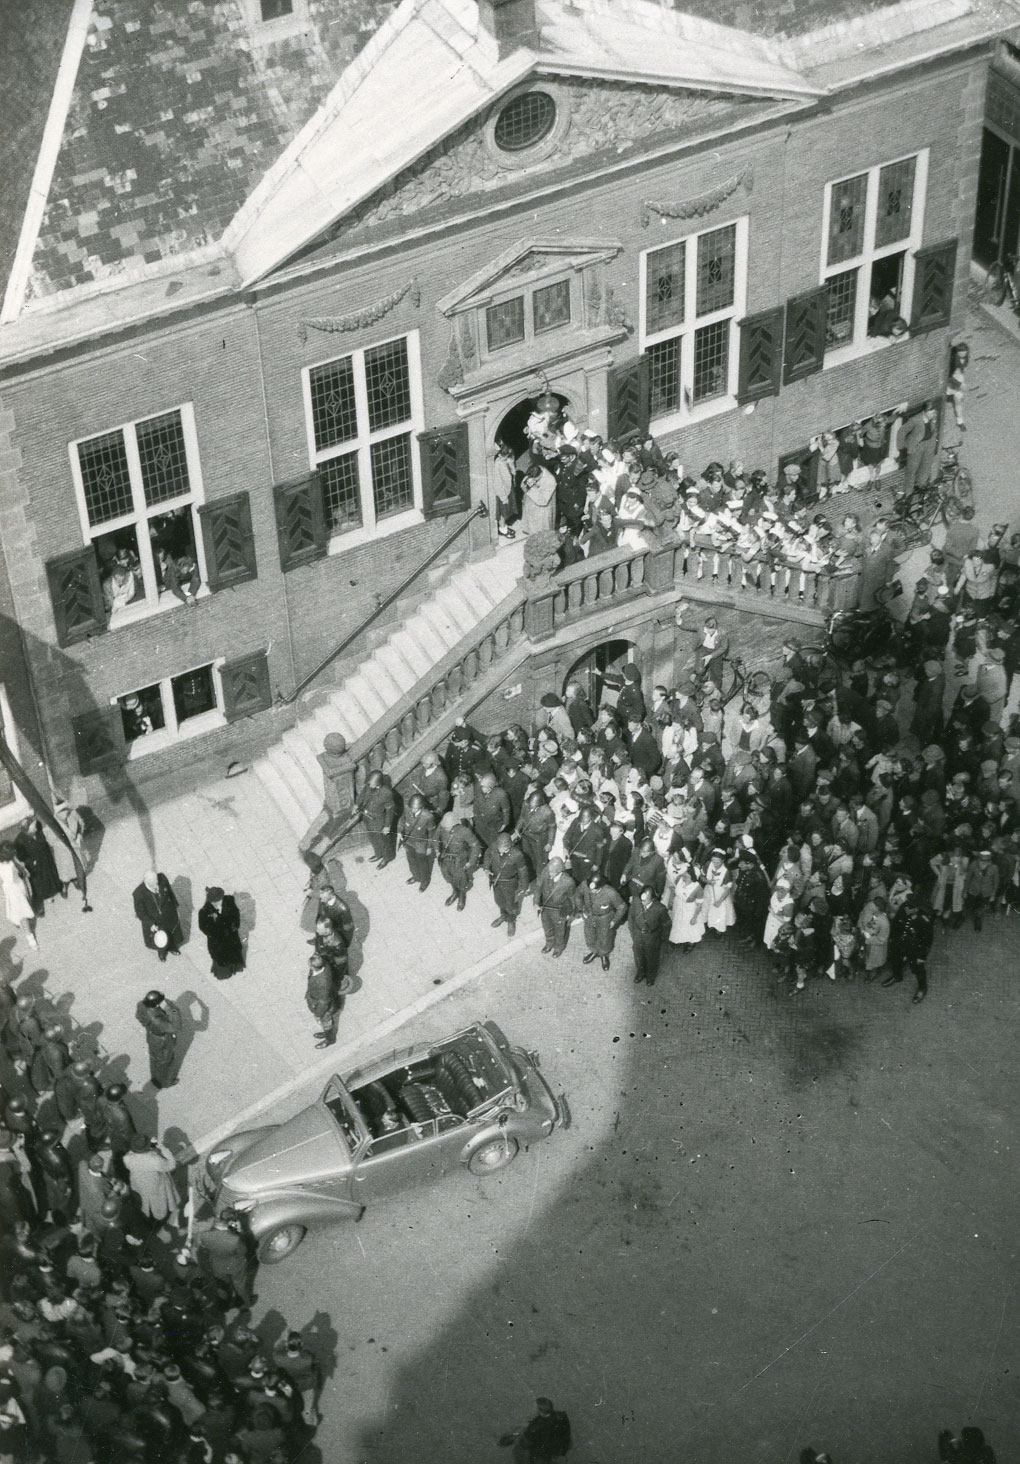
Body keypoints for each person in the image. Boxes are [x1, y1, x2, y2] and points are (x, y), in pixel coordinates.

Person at [123, 1135, 181, 1228]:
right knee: (160, 1203)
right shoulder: (154, 1160)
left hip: (139, 1186)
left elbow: (133, 1155)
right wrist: (161, 1147)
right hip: (156, 1185)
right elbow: (171, 1165)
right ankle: (165, 1220)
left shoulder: (127, 1158)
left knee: (144, 1203)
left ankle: (149, 1219)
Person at [484, 832, 529, 938]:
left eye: (503, 848)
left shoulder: (517, 855)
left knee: (510, 904)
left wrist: (524, 886)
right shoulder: (494, 846)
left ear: (509, 846)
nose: (500, 849)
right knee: (499, 900)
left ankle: (511, 921)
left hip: (510, 882)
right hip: (496, 880)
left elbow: (523, 871)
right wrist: (486, 868)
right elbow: (487, 854)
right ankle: (503, 916)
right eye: (499, 847)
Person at [134, 990, 183, 1089]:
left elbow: (138, 1016)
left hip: (152, 1036)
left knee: (154, 1059)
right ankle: (166, 1083)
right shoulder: (157, 1019)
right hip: (162, 1041)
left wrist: (148, 1026)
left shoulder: (141, 1004)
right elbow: (176, 1027)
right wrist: (174, 1010)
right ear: (156, 1004)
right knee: (166, 1062)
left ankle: (155, 1079)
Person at [131, 870, 183, 960]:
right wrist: (150, 923)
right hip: (155, 921)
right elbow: (140, 913)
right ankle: (162, 953)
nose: (157, 887)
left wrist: (175, 906)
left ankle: (172, 947)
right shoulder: (139, 894)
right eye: (154, 886)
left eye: (157, 883)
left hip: (169, 914)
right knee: (160, 939)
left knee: (172, 933)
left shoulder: (162, 878)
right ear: (147, 883)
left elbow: (170, 893)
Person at [579, 873, 626, 970]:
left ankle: (604, 955)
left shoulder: (610, 892)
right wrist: (581, 909)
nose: (592, 891)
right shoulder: (584, 885)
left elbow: (622, 906)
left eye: (595, 890)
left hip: (605, 918)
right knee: (590, 936)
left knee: (605, 938)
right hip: (589, 916)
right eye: (590, 889)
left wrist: (614, 920)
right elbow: (577, 895)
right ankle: (594, 951)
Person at [506, 1396, 571, 1463]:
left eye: (534, 1407)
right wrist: (563, 1453)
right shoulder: (561, 1416)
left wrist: (517, 1436)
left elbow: (526, 1443)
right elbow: (566, 1434)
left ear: (540, 1410)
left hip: (541, 1455)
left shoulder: (534, 1427)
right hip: (558, 1451)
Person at [197, 886, 245, 979]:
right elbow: (203, 927)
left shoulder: (229, 900)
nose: (217, 904)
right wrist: (214, 930)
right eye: (214, 902)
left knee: (233, 953)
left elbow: (236, 913)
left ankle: (234, 968)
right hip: (218, 942)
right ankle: (224, 973)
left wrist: (235, 925)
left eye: (219, 901)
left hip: (231, 937)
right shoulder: (204, 911)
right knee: (222, 959)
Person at [14, 819, 61, 909]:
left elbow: (44, 843)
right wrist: (32, 862)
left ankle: (55, 888)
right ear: (27, 829)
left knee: (50, 874)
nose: (35, 825)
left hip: (45, 857)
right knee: (41, 880)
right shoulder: (19, 841)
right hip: (35, 864)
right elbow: (21, 857)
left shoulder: (38, 832)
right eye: (33, 825)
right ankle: (47, 895)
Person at [629, 885, 670, 985]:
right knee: (638, 956)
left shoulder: (660, 909)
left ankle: (650, 976)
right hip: (638, 935)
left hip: (652, 937)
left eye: (645, 901)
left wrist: (662, 938)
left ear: (652, 899)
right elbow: (631, 917)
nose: (642, 903)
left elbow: (667, 924)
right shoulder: (635, 902)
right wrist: (633, 932)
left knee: (652, 958)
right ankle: (640, 972)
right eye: (641, 900)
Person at [305, 952, 349, 1048]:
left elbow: (324, 1003)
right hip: (319, 997)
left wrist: (318, 1014)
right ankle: (327, 1034)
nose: (308, 965)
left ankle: (330, 1039)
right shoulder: (323, 966)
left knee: (326, 1022)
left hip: (324, 1008)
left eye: (309, 964)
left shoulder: (323, 985)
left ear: (313, 967)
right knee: (326, 1023)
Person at [0, 843, 38, 948]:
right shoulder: (11, 863)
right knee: (23, 912)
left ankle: (26, 930)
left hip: (12, 888)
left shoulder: (7, 862)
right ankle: (30, 937)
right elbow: (20, 872)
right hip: (15, 888)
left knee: (20, 909)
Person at [356, 770, 397, 867]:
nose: (369, 785)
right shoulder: (369, 786)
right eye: (369, 782)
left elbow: (390, 810)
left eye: (372, 784)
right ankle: (378, 854)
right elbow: (362, 795)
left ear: (378, 784)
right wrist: (357, 804)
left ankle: (387, 857)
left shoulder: (387, 793)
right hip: (367, 817)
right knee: (373, 838)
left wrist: (387, 826)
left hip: (379, 820)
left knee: (384, 840)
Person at [397, 792, 437, 891]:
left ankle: (424, 881)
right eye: (411, 807)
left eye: (415, 808)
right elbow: (402, 820)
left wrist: (429, 847)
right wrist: (399, 831)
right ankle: (416, 876)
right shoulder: (407, 809)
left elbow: (432, 834)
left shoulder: (428, 816)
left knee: (422, 864)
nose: (412, 810)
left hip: (421, 844)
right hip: (409, 841)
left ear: (421, 807)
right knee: (411, 861)